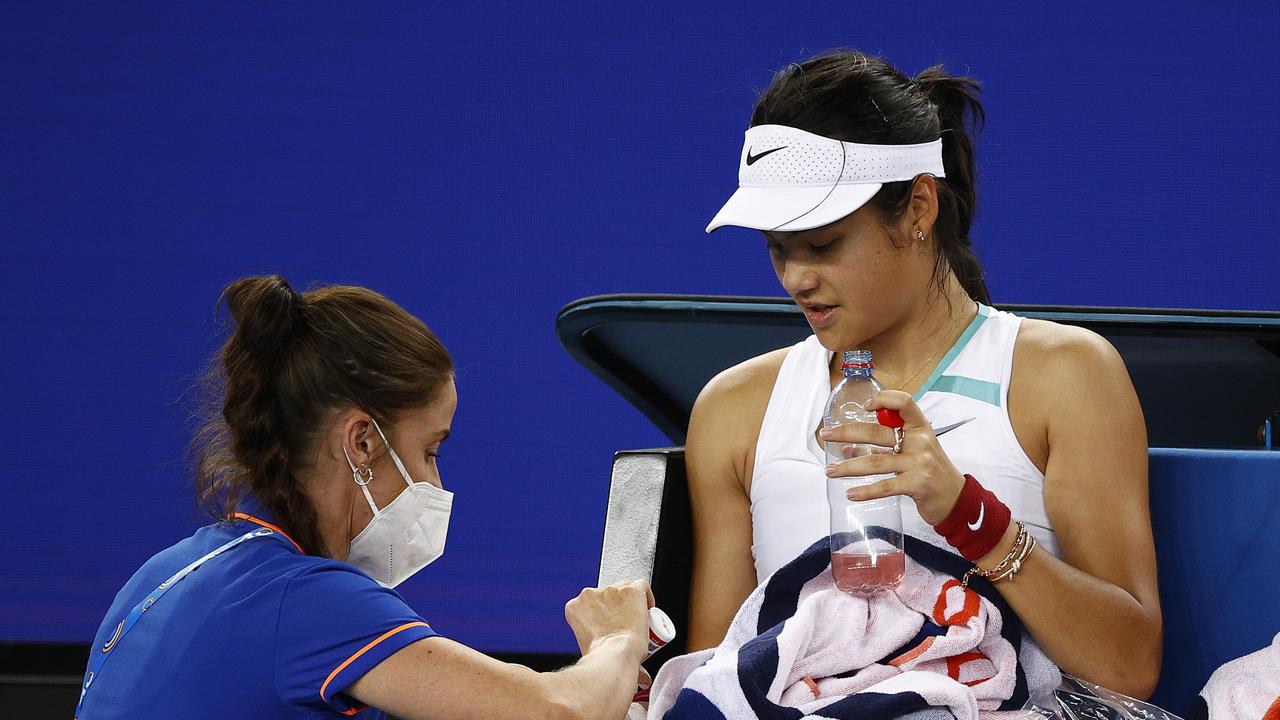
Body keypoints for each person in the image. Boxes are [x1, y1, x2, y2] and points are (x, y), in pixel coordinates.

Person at [687, 50, 1163, 698]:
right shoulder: (733, 411)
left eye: (823, 245)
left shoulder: (1066, 377)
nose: (796, 278)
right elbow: (718, 680)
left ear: (917, 208)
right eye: (777, 246)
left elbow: (1129, 669)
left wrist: (967, 513)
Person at [78, 276, 650, 720]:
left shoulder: (163, 572)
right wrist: (618, 637)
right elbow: (559, 710)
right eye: (432, 451)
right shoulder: (308, 600)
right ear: (362, 441)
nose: (438, 484)